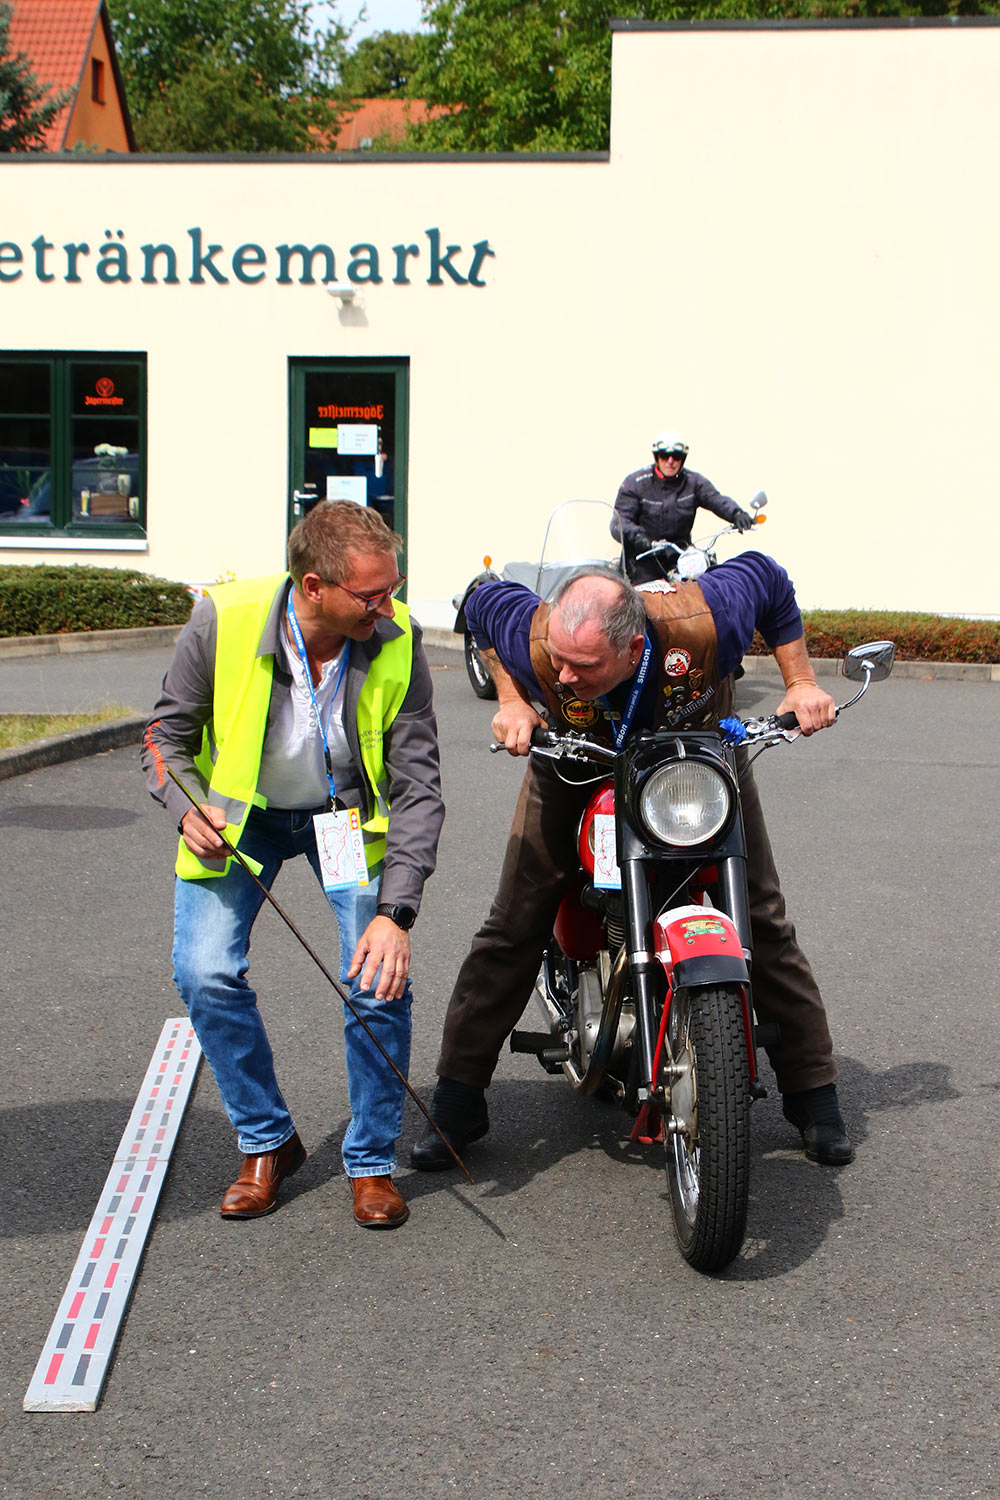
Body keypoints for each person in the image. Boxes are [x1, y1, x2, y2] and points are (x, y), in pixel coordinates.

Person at [412, 552, 855, 1174]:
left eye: (584, 664)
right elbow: (479, 598)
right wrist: (515, 697)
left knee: (759, 911)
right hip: (574, 751)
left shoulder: (705, 621)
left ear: (631, 646)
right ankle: (458, 1100)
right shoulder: (535, 632)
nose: (563, 674)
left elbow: (771, 577)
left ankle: (813, 1094)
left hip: (692, 751)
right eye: (557, 661)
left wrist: (801, 681)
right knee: (518, 915)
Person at [142, 500, 444, 1230]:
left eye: (393, 588)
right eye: (372, 595)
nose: (389, 606)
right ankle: (267, 1142)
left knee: (376, 975)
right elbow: (162, 736)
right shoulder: (223, 617)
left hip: (339, 820)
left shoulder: (397, 640)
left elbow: (420, 789)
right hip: (241, 823)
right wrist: (186, 809)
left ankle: (370, 1161)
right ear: (314, 587)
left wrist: (395, 915)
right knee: (204, 971)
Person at [612, 429, 755, 584]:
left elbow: (716, 499)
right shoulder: (636, 483)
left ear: (683, 458)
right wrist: (640, 538)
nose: (670, 461)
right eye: (665, 456)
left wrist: (737, 514)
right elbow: (620, 520)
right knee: (644, 600)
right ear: (657, 457)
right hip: (644, 558)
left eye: (676, 456)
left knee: (709, 586)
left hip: (681, 556)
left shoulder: (693, 482)